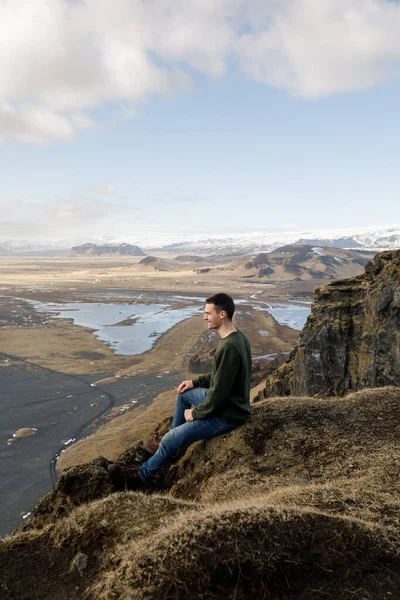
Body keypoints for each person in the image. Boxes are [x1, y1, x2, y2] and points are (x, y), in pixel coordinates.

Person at [108, 292, 252, 490]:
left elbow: (218, 395)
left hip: (227, 414)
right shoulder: (238, 338)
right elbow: (219, 378)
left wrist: (195, 413)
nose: (204, 317)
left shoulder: (229, 347)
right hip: (228, 404)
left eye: (208, 313)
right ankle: (169, 450)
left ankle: (140, 476)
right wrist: (194, 382)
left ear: (222, 314)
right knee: (183, 393)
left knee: (170, 438)